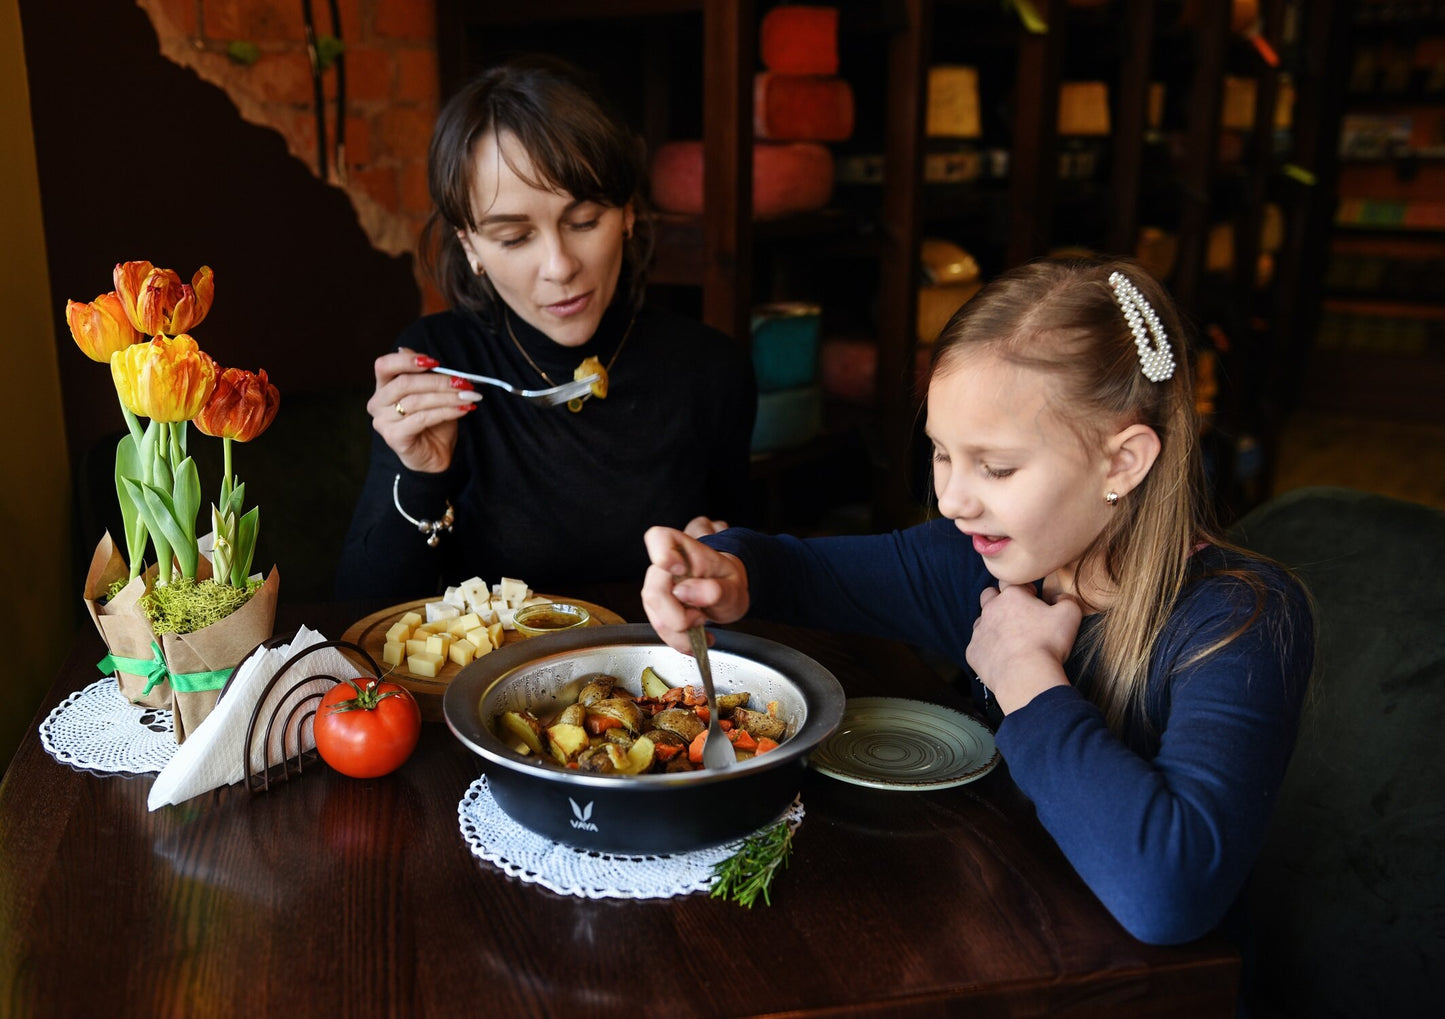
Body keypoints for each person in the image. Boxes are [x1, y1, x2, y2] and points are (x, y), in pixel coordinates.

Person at [641, 257, 1313, 959]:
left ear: (1122, 462)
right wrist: (727, 568)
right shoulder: (981, 559)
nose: (954, 499)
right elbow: (803, 572)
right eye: (940, 454)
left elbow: (1167, 895)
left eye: (995, 467)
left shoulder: (1242, 624)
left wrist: (1025, 676)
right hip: (1011, 942)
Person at [336, 55, 756, 600]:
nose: (560, 266)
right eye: (514, 237)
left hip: (661, 679)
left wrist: (726, 558)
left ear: (628, 213)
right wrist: (419, 476)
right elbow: (361, 614)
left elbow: (751, 572)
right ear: (470, 246)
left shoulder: (709, 369)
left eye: (583, 222)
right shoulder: (440, 363)